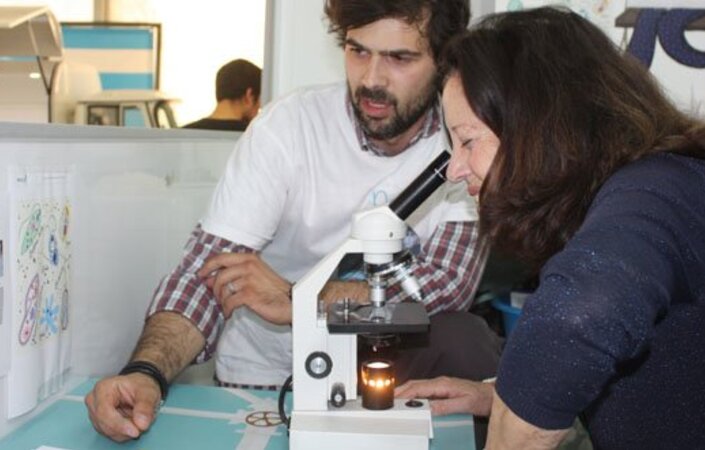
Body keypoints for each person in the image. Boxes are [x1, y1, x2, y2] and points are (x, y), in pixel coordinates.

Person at [85, 0, 504, 443]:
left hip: (384, 371)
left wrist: (301, 299)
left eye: (399, 58)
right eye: (358, 51)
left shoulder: (463, 147)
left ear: (443, 61)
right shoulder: (288, 127)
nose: (372, 79)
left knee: (466, 339)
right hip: (267, 375)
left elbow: (444, 286)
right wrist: (146, 372)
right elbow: (206, 273)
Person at [396, 6, 705, 450]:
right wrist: (498, 394)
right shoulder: (632, 191)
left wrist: (519, 414)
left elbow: (580, 316)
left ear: (536, 126)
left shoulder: (657, 191)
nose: (455, 169)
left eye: (467, 140)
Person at [182, 58, 261, 131]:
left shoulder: (182, 133)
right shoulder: (253, 136)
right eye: (258, 106)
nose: (258, 113)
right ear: (249, 96)